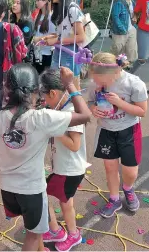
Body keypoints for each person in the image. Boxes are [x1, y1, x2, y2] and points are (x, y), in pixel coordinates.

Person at [0, 64, 92, 251]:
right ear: (35, 91)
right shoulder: (42, 118)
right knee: (33, 234)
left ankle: (40, 249)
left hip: (8, 189)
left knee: (34, 227)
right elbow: (85, 115)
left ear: (7, 90)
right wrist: (70, 84)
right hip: (32, 190)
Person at [88, 53, 148, 218]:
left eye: (102, 81)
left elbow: (142, 111)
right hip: (107, 130)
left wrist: (120, 103)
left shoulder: (134, 84)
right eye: (95, 79)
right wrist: (93, 109)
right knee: (110, 167)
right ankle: (114, 199)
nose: (98, 84)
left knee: (130, 170)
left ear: (115, 72)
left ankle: (128, 188)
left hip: (129, 129)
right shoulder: (96, 83)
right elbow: (90, 102)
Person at [39, 69, 87, 251]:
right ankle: (56, 230)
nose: (45, 103)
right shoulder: (60, 108)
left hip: (70, 169)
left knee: (63, 203)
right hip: (63, 168)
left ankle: (72, 235)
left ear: (53, 93)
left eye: (45, 98)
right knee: (56, 198)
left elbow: (75, 145)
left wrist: (55, 129)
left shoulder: (71, 111)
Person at [45, 0, 86, 90]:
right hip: (59, 51)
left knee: (71, 87)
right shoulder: (59, 10)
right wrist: (47, 38)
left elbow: (81, 37)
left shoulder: (72, 9)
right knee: (56, 83)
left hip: (71, 53)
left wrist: (57, 40)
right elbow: (63, 33)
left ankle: (75, 107)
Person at [111, 0, 137, 69]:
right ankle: (114, 66)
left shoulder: (133, 2)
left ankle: (127, 65)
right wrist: (122, 28)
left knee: (131, 49)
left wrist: (135, 19)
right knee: (118, 50)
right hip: (120, 31)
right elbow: (115, 17)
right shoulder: (119, 2)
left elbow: (135, 14)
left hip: (131, 29)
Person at [32, 0, 56, 74]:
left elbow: (55, 36)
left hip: (47, 54)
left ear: (46, 1)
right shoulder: (37, 17)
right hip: (37, 53)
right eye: (36, 0)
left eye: (39, 0)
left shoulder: (51, 17)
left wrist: (39, 39)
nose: (36, 2)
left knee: (46, 78)